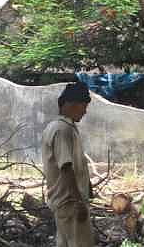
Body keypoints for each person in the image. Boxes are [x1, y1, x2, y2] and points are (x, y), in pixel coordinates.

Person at [42, 82, 94, 247]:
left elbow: (73, 164)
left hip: (65, 202)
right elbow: (66, 167)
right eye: (83, 106)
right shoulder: (62, 130)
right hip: (70, 202)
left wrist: (87, 186)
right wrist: (79, 202)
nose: (85, 111)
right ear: (71, 105)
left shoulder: (61, 127)